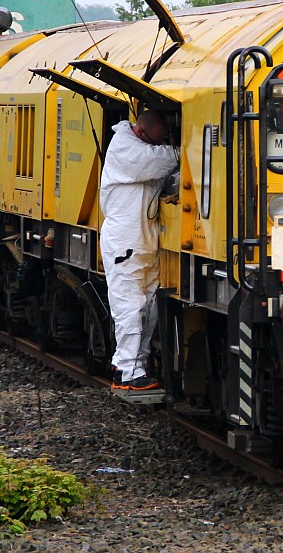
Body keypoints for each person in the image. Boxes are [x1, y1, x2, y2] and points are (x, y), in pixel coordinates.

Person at [99, 109, 179, 391]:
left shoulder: (141, 148)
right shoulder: (125, 148)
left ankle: (137, 365)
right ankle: (126, 369)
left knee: (149, 307)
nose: (160, 146)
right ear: (142, 133)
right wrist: (188, 150)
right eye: (157, 141)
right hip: (125, 242)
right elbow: (158, 162)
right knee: (130, 306)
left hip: (143, 241)